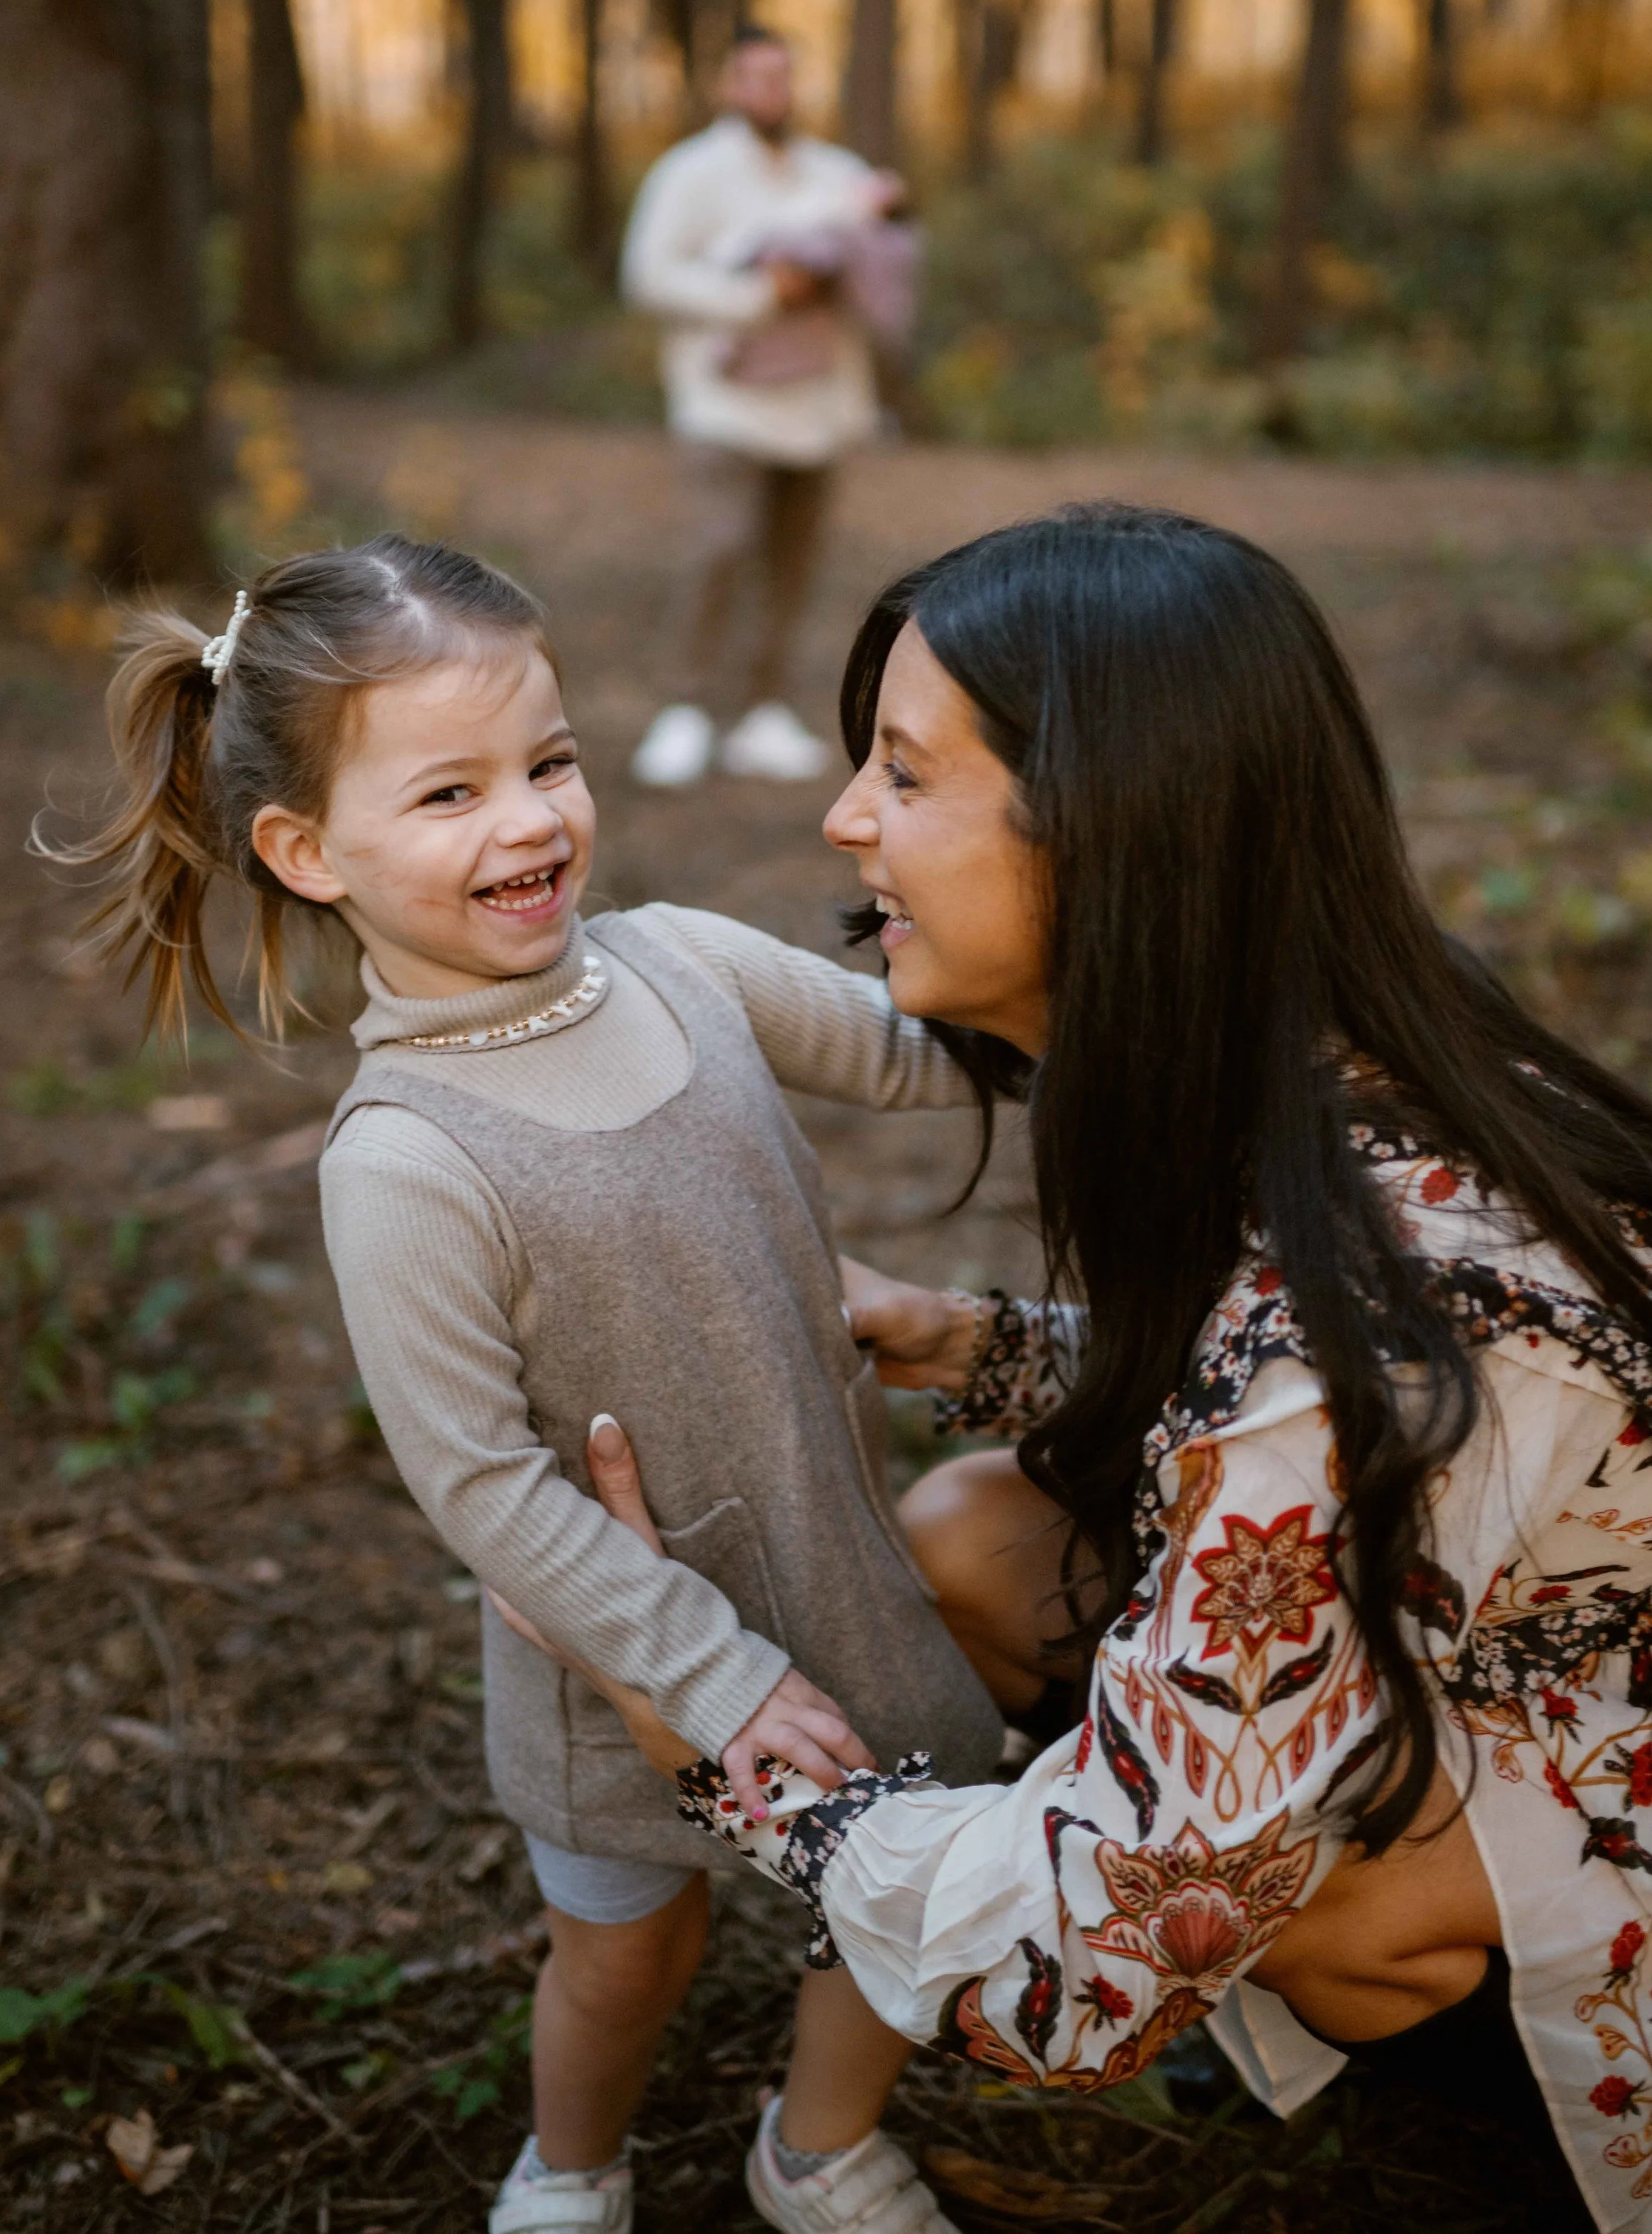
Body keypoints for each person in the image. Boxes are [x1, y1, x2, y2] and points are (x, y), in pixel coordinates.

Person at [562, 506, 1652, 2230]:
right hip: (1515, 1643)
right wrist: (971, 1344)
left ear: (1118, 828)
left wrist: (714, 1732)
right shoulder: (1316, 1053)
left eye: (906, 770)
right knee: (975, 1532)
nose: (844, 818)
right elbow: (1266, 1415)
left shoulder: (1388, 1318)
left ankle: (1462, 2047)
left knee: (1309, 1915)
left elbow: (1095, 1961)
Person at [52, 534, 1007, 2234]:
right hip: (626, 1642)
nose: (531, 820)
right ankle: (572, 2160)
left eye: (550, 761)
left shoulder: (684, 961)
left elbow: (911, 1047)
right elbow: (482, 1480)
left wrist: (1090, 988)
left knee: (906, 1895)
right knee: (627, 1943)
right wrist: (698, 1670)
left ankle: (815, 2141)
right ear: (306, 849)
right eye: (449, 793)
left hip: (831, 1549)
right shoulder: (407, 1158)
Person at [621, 26, 896, 791]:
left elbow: (874, 260)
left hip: (818, 406)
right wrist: (755, 297)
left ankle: (762, 711)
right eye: (754, 77)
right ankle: (687, 708)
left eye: (782, 75)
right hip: (723, 403)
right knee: (719, 547)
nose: (770, 91)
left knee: (793, 562)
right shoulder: (690, 173)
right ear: (729, 86)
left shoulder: (835, 171)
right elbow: (648, 276)